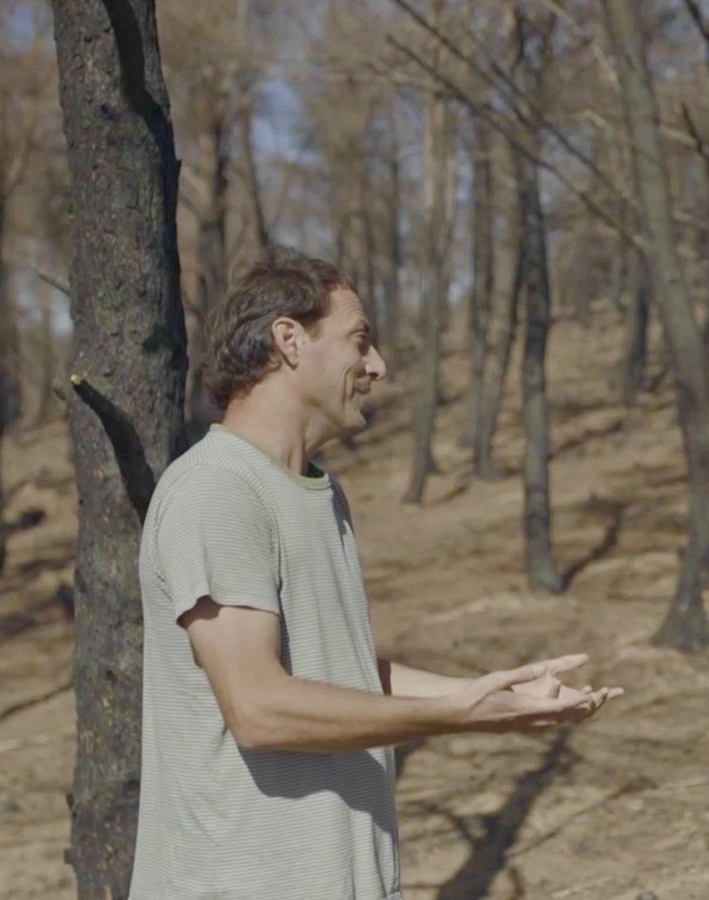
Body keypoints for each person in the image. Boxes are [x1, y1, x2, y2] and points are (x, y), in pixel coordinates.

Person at [130, 251, 620, 899]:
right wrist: (456, 717)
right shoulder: (217, 492)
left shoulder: (318, 495)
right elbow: (258, 708)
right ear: (288, 339)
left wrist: (493, 698)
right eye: (360, 341)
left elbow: (346, 672)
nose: (378, 367)